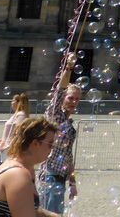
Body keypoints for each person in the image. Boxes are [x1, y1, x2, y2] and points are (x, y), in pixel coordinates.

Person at [0, 117, 59, 217]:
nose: (53, 148)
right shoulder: (17, 174)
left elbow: (30, 208)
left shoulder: (23, 168)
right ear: (35, 143)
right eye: (50, 144)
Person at [40, 54, 81, 214]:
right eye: (70, 98)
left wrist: (73, 184)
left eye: (77, 99)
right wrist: (69, 67)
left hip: (60, 177)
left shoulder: (70, 126)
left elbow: (69, 156)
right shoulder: (54, 114)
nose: (73, 102)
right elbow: (60, 90)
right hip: (49, 174)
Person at [0, 93, 30, 170]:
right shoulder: (17, 114)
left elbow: (19, 132)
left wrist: (10, 145)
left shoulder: (20, 115)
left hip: (10, 150)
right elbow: (11, 132)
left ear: (18, 102)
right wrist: (2, 140)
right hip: (7, 149)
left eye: (13, 100)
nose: (11, 102)